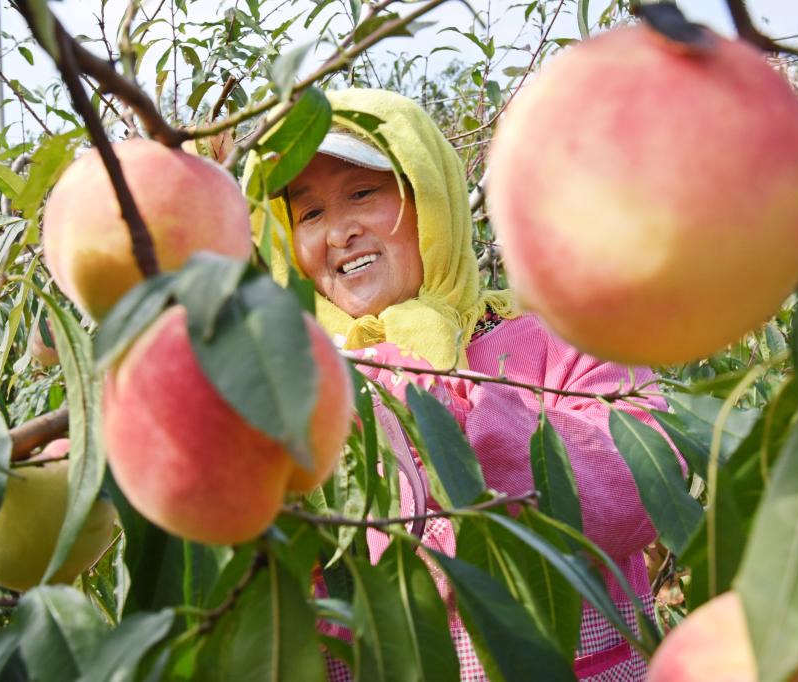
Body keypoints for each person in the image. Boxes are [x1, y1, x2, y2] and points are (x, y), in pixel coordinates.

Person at [246, 88, 670, 682]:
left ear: (430, 199)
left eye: (362, 193)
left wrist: (448, 403)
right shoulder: (297, 389)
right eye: (309, 213)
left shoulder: (557, 337)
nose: (338, 231)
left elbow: (644, 493)